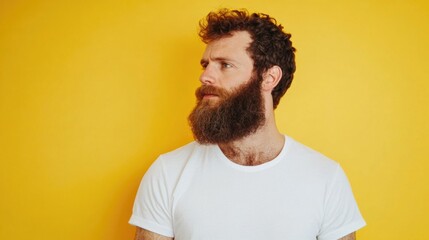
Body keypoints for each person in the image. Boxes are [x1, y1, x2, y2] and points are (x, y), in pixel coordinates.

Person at [129, 8, 366, 240]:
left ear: (269, 78)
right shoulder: (168, 173)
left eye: (225, 65)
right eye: (205, 65)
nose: (205, 77)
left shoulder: (325, 177)